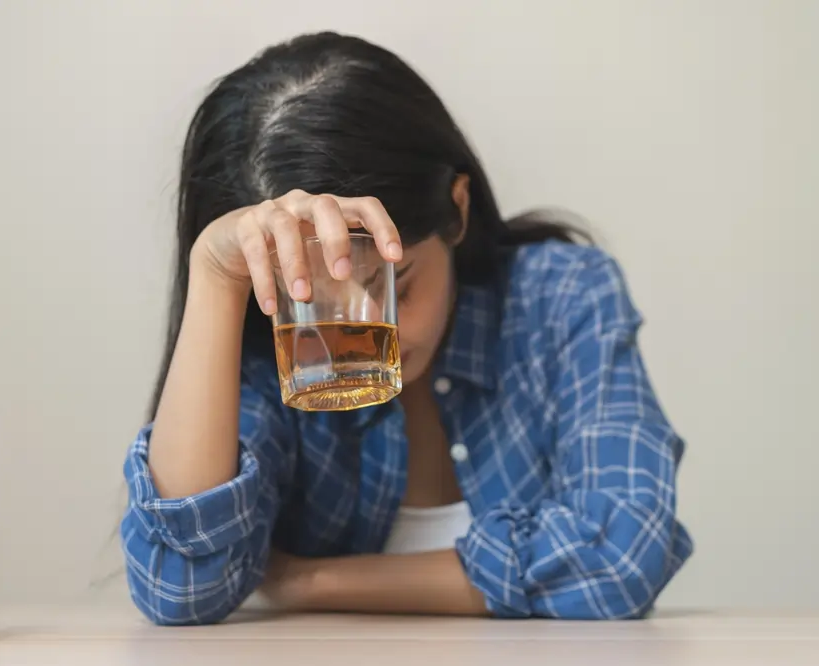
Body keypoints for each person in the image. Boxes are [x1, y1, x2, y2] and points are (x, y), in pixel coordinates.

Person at [119, 31, 692, 625]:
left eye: (396, 284)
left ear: (457, 209)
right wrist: (215, 277)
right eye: (309, 300)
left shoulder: (562, 295)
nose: (366, 336)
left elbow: (622, 556)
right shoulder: (265, 348)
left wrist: (310, 581)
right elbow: (179, 589)